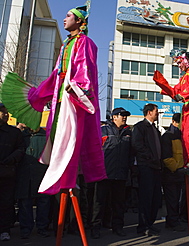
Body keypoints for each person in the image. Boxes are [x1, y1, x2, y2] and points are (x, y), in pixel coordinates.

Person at [1, 3, 106, 195]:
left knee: (70, 138)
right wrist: (39, 93)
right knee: (57, 136)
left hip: (74, 98)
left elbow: (86, 70)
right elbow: (56, 74)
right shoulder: (66, 44)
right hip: (61, 97)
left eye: (68, 16)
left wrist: (76, 88)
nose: (64, 19)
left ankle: (65, 180)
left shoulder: (85, 43)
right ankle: (60, 181)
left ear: (79, 22)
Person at [153, 49, 189, 175]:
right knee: (184, 136)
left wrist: (182, 95)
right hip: (187, 108)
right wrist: (163, 86)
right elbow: (175, 91)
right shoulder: (183, 78)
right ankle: (187, 161)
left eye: (179, 63)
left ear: (184, 60)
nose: (178, 66)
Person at [91, 107, 133, 239]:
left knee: (119, 203)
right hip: (104, 173)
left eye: (126, 115)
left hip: (120, 174)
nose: (124, 117)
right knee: (99, 203)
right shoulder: (104, 130)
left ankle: (118, 227)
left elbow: (131, 154)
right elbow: (95, 150)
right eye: (122, 115)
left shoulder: (128, 133)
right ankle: (95, 228)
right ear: (114, 117)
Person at [132, 103, 162, 237]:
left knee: (155, 198)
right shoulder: (140, 127)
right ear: (149, 112)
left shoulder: (155, 129)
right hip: (146, 167)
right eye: (156, 111)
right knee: (146, 198)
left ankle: (150, 223)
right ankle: (143, 226)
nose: (157, 113)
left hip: (156, 167)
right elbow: (137, 145)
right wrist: (150, 158)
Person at [15, 125, 50, 239]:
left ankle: (42, 227)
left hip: (42, 173)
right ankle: (25, 228)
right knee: (25, 202)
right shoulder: (20, 136)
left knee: (43, 202)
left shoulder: (46, 136)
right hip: (24, 174)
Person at [0, 103, 25, 241]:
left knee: (6, 203)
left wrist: (11, 159)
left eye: (6, 111)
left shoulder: (14, 133)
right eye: (2, 112)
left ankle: (4, 230)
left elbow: (21, 149)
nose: (6, 114)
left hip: (7, 173)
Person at [161, 113, 186, 232]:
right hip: (171, 173)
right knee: (172, 199)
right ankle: (173, 221)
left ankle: (173, 220)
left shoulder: (181, 135)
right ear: (175, 122)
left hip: (179, 172)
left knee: (177, 199)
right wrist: (176, 168)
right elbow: (166, 157)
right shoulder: (168, 136)